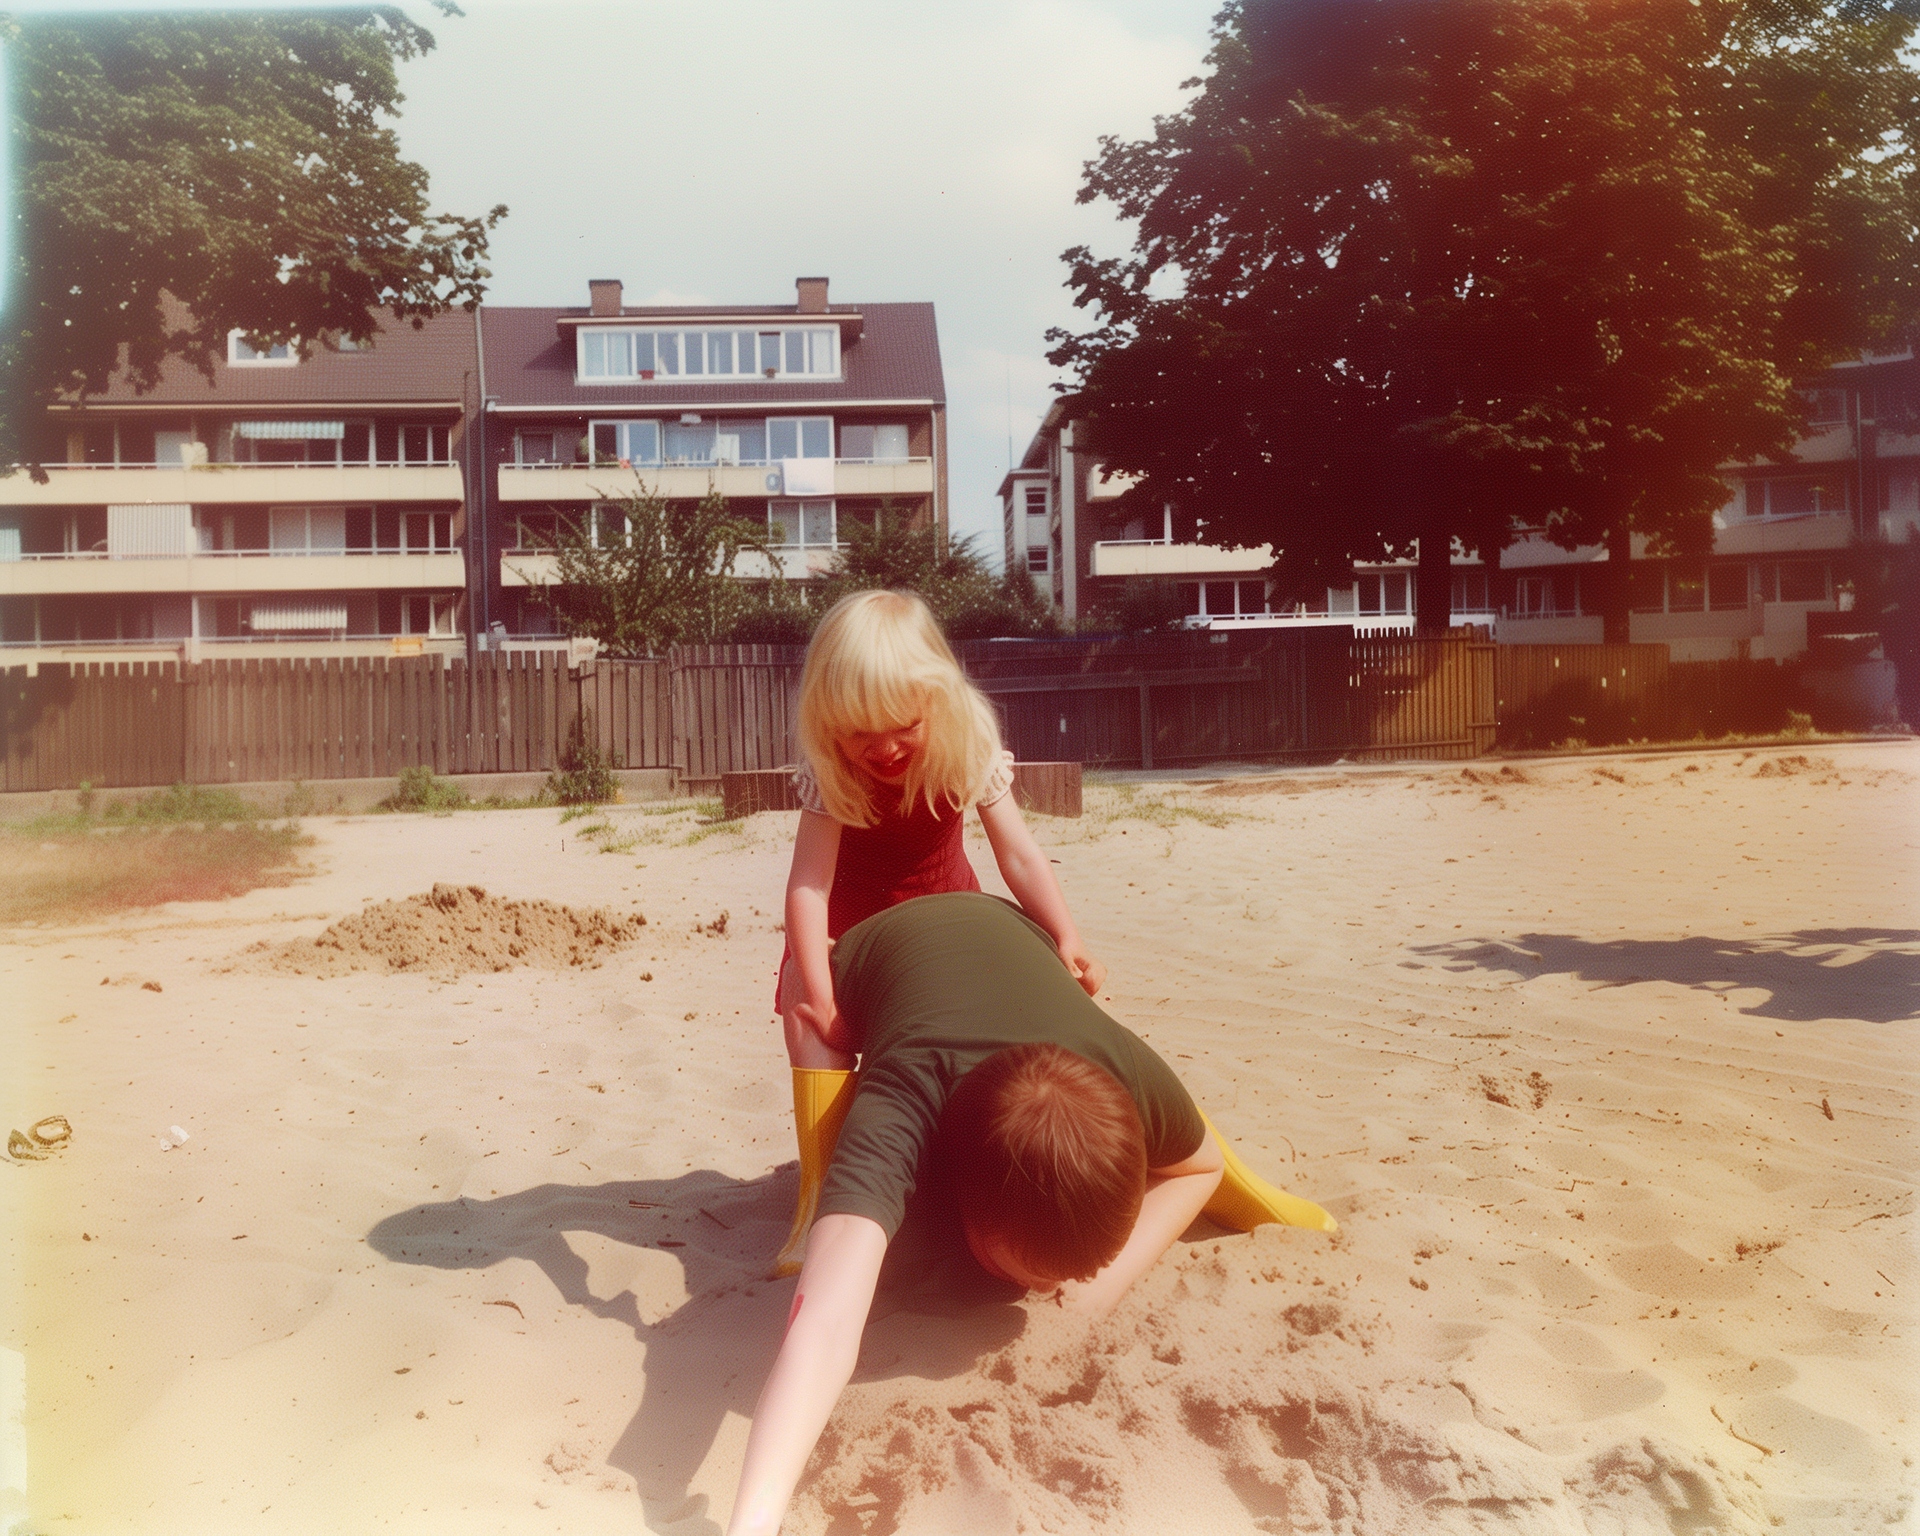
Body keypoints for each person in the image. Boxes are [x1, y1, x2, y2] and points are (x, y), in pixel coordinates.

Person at [725, 890, 1237, 1536]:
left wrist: (1100, 1288)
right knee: (808, 1003)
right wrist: (754, 1521)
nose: (1046, 1291)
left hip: (1008, 925)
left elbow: (1202, 1164)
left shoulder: (1124, 1068)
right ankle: (823, 1178)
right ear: (955, 1190)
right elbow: (823, 1327)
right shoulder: (904, 1098)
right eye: (1026, 1271)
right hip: (866, 952)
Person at [773, 590, 1105, 1272]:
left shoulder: (966, 746)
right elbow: (809, 884)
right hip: (858, 934)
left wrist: (1065, 934)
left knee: (1005, 1012)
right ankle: (820, 1196)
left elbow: (1016, 852)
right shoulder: (832, 773)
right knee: (803, 1008)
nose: (884, 747)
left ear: (938, 702)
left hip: (949, 921)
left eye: (902, 725)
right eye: (859, 731)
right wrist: (818, 984)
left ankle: (977, 1168)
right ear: (828, 724)